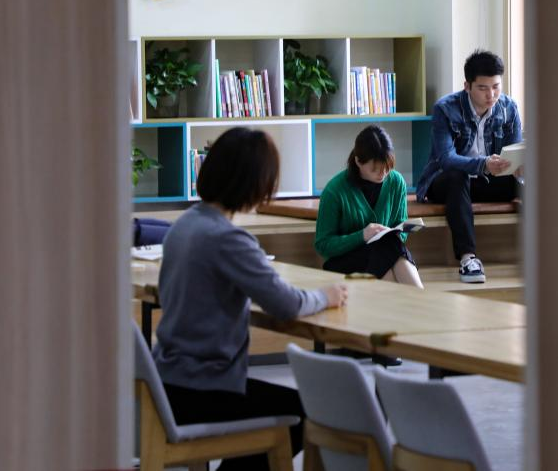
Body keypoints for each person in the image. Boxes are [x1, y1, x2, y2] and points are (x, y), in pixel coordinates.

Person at [153, 127, 348, 469]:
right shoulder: (228, 239)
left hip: (168, 382)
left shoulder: (184, 225)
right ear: (253, 184)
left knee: (282, 404)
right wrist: (325, 296)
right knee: (307, 410)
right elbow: (286, 304)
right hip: (205, 388)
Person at [415, 49, 522, 283]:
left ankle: (547, 252)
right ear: (467, 86)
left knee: (534, 183)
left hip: (489, 183)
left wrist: (520, 166)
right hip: (446, 183)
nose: (491, 95)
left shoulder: (509, 108)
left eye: (496, 87)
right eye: (483, 88)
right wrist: (483, 165)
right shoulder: (445, 109)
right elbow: (446, 159)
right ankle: (468, 259)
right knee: (458, 176)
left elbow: (515, 151)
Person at [315, 125, 424, 288]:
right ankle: (420, 297)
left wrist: (393, 233)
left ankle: (416, 298)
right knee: (391, 252)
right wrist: (362, 236)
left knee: (390, 247)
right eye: (375, 169)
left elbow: (400, 231)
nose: (383, 174)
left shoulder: (396, 182)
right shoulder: (335, 190)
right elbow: (323, 245)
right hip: (345, 262)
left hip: (385, 254)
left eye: (387, 168)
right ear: (358, 161)